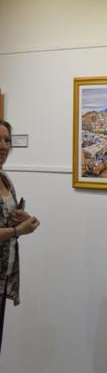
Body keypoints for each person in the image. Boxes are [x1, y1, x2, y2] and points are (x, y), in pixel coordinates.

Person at [0, 120, 40, 351]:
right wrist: (17, 231)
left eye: (7, 140)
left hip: (4, 276)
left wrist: (23, 219)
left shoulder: (5, 180)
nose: (3, 146)